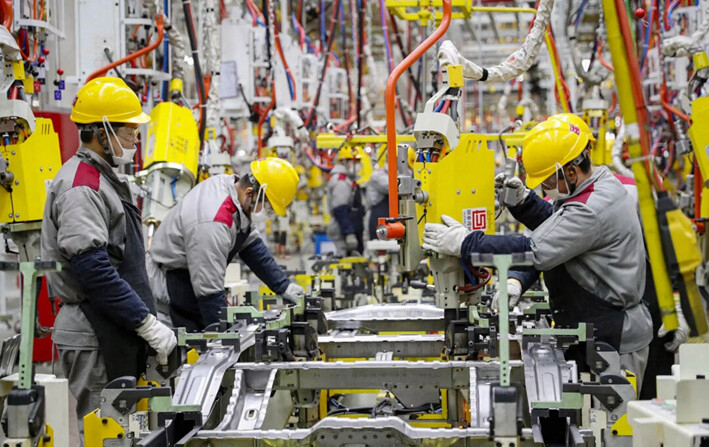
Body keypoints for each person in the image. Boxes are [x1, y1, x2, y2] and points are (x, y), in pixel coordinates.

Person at [422, 114, 653, 387]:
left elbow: (536, 249)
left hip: (612, 339)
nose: (544, 188)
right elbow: (560, 230)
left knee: (612, 425)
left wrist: (466, 243)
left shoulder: (591, 208)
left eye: (547, 181)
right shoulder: (596, 186)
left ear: (569, 171)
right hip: (595, 327)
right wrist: (525, 204)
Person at [41, 77, 177, 440]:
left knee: (128, 431)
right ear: (102, 132)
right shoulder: (82, 188)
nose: (135, 139)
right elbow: (93, 271)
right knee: (108, 433)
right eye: (130, 130)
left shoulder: (104, 178)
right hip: (92, 333)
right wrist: (146, 322)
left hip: (114, 327)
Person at [146, 157, 305, 332]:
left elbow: (251, 245)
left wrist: (283, 286)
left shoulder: (233, 192)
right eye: (266, 207)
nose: (266, 213)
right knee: (186, 349)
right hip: (170, 285)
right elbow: (209, 289)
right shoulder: (214, 220)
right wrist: (223, 339)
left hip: (192, 279)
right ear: (251, 193)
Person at [327, 147, 365, 255]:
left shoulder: (348, 179)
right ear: (344, 162)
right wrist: (349, 233)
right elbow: (340, 209)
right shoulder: (341, 181)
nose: (357, 165)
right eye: (354, 162)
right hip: (342, 230)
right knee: (346, 262)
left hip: (348, 227)